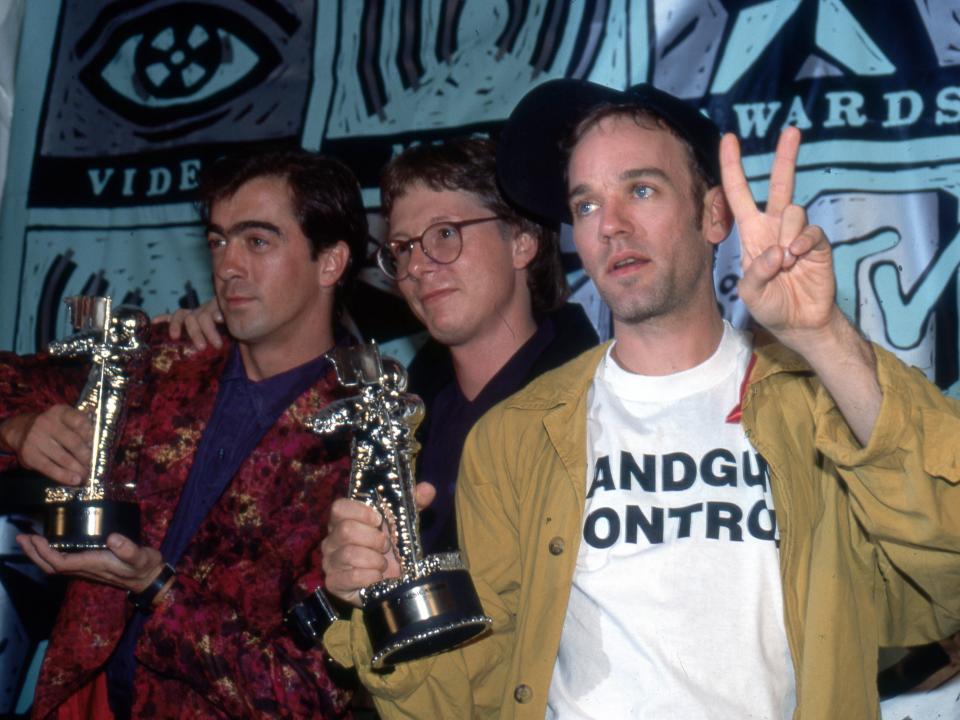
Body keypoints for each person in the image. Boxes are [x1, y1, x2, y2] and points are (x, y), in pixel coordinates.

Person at [317, 80, 960, 719]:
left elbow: (942, 583)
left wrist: (824, 338)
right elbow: (476, 693)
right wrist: (386, 600)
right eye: (588, 205)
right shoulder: (515, 436)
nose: (612, 226)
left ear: (713, 215)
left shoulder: (817, 410)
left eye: (642, 189)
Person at [0, 149, 367, 718]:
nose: (228, 266)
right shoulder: (164, 360)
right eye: (219, 241)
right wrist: (18, 428)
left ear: (330, 262)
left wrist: (157, 589)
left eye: (258, 242)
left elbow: (308, 693)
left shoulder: (359, 444)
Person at [169, 137, 598, 554]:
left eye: (445, 234)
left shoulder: (594, 409)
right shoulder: (395, 417)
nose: (416, 265)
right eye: (402, 248)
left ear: (522, 240)